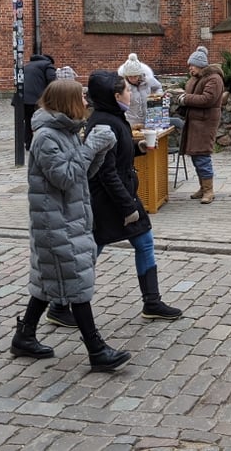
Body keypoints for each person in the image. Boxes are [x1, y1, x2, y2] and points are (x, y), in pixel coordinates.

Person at [10, 79, 132, 372]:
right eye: (81, 97)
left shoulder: (65, 132)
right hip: (55, 223)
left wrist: (99, 151)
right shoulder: (46, 138)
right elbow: (64, 177)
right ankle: (96, 349)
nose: (87, 102)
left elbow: (81, 173)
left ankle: (25, 335)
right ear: (67, 102)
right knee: (76, 283)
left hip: (69, 218)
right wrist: (91, 147)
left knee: (47, 282)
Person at [48, 70, 181, 325]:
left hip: (120, 196)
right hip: (109, 201)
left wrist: (139, 149)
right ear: (115, 95)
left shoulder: (114, 117)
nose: (130, 94)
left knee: (143, 243)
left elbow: (118, 152)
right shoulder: (104, 123)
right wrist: (128, 206)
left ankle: (151, 302)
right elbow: (106, 172)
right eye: (127, 91)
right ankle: (59, 304)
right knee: (91, 253)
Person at [175, 46, 226, 204]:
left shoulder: (214, 79)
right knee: (197, 156)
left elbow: (207, 99)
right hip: (196, 122)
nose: (190, 68)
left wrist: (185, 99)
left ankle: (209, 190)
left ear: (200, 65)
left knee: (202, 155)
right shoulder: (197, 77)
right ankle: (203, 187)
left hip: (205, 123)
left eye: (192, 65)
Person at [18, 53, 57, 150]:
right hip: (36, 99)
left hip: (21, 98)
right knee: (42, 120)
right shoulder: (47, 65)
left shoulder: (27, 66)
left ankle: (28, 144)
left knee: (28, 121)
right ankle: (41, 144)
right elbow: (52, 81)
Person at [117, 53, 162, 129]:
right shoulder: (122, 85)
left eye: (135, 76)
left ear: (140, 74)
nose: (133, 79)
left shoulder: (148, 80)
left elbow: (158, 87)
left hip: (149, 119)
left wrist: (158, 95)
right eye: (130, 77)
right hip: (130, 122)